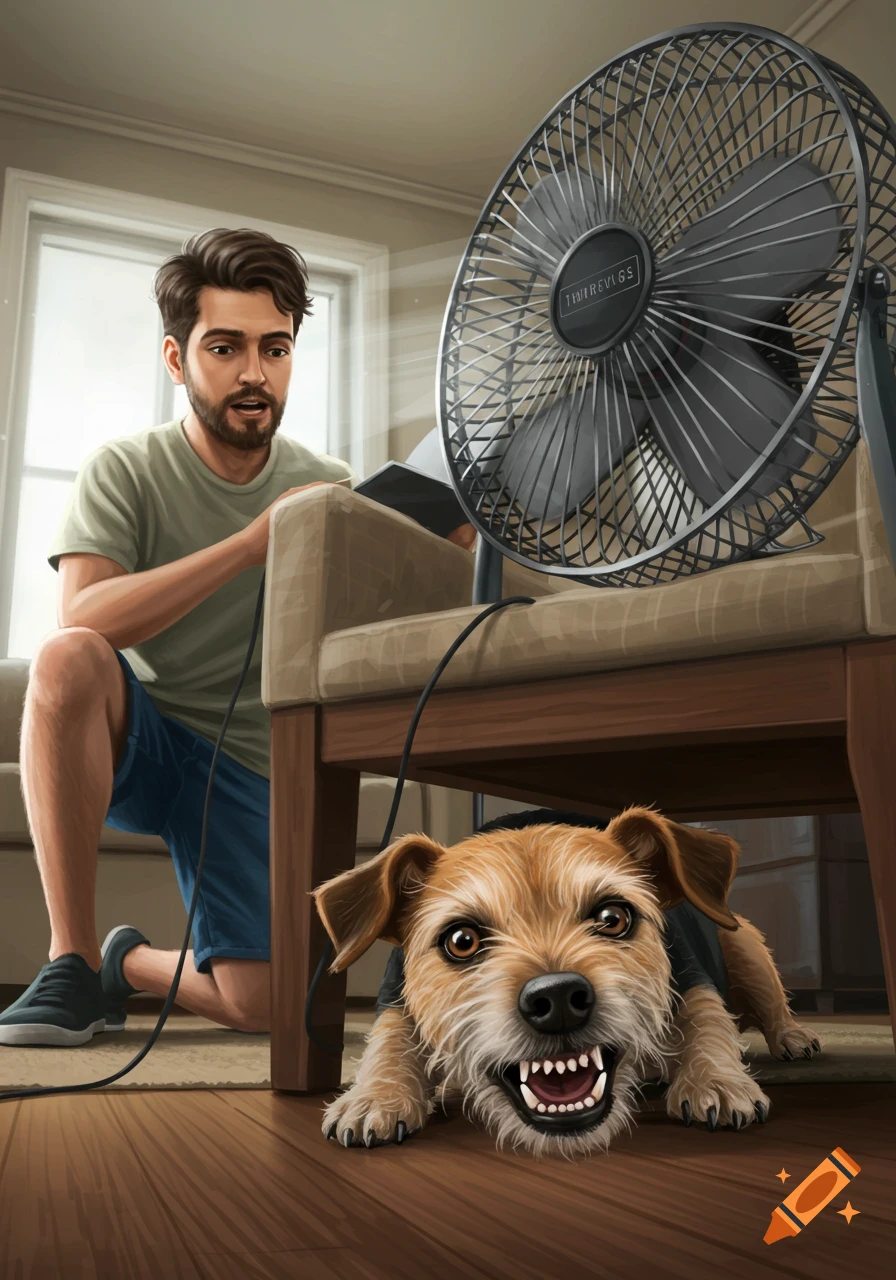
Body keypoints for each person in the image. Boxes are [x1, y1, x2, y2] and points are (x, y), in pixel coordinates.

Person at [0, 227, 357, 1046]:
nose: (254, 374)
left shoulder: (329, 485)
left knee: (272, 1010)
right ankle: (69, 958)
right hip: (147, 737)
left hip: (250, 761)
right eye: (225, 347)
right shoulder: (124, 469)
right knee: (68, 657)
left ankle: (122, 966)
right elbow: (83, 614)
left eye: (276, 349)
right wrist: (249, 544)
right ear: (176, 358)